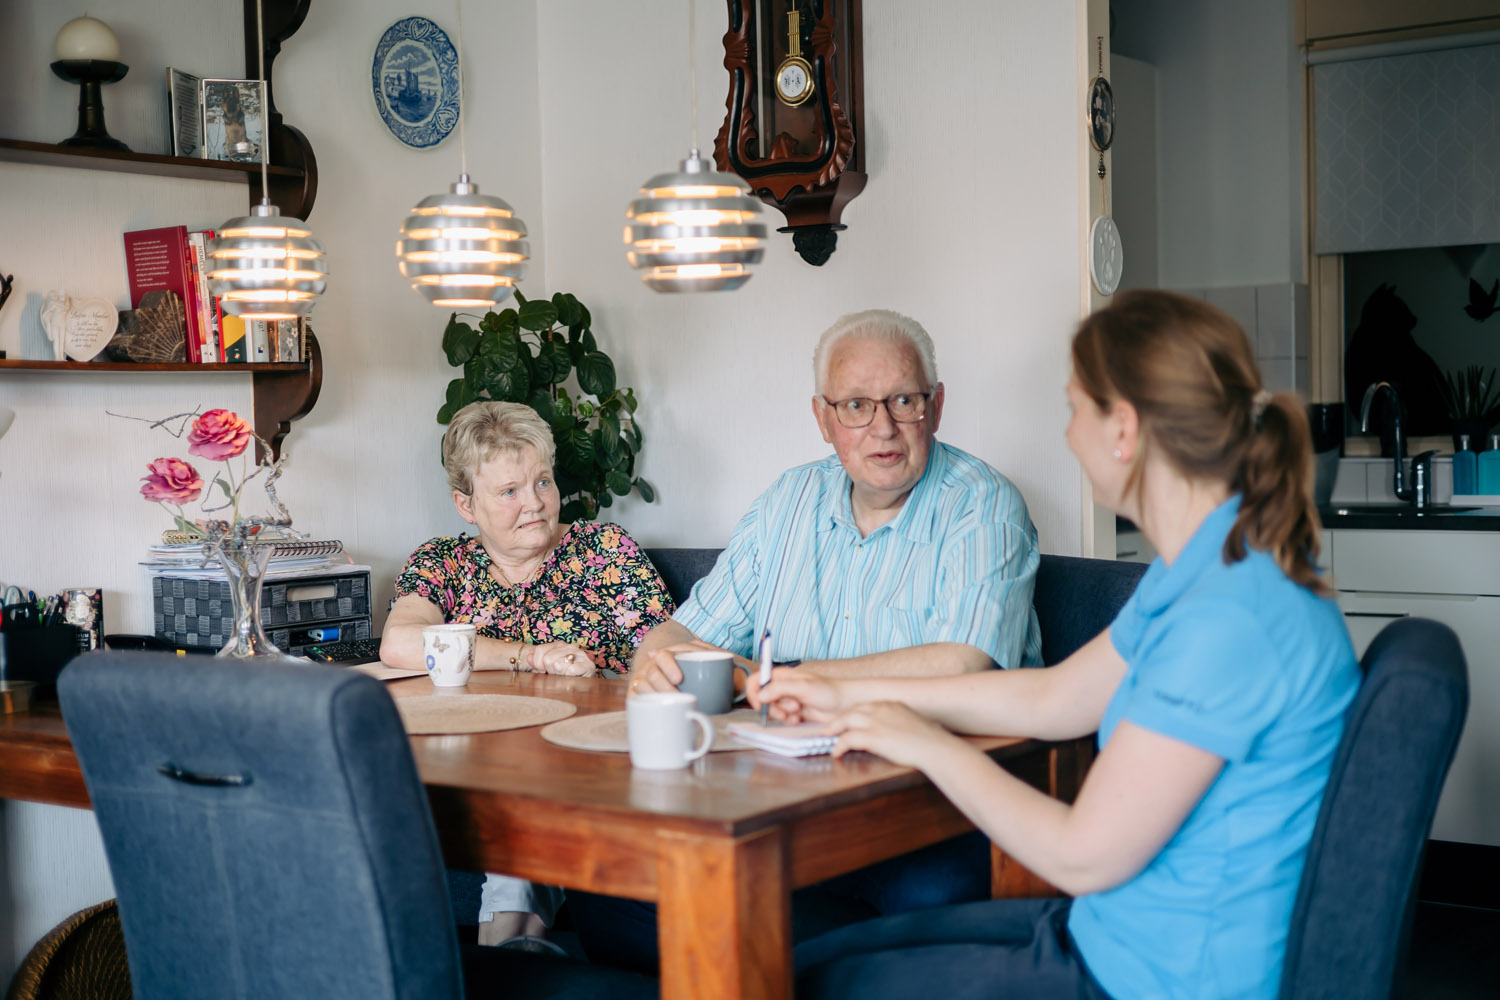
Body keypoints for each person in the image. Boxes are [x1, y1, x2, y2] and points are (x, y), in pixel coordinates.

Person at [755, 290, 1360, 999]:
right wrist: (845, 692)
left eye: (1076, 408)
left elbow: (1080, 856)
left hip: (1159, 977)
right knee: (811, 957)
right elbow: (1053, 698)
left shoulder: (1229, 618)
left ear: (1123, 431)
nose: (1069, 433)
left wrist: (922, 741)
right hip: (1114, 935)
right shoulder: (1207, 566)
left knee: (802, 982)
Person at [571, 309, 1043, 972]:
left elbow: (965, 662)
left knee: (932, 901)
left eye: (903, 400)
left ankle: (771, 959)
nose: (882, 427)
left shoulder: (983, 504)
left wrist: (804, 679)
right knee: (607, 895)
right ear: (823, 419)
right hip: (782, 813)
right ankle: (789, 963)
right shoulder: (786, 502)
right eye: (856, 405)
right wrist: (655, 665)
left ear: (935, 407)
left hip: (928, 813)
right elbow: (681, 631)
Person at [382, 400, 674, 947]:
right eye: (509, 491)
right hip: (480, 766)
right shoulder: (443, 563)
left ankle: (514, 953)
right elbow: (400, 643)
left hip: (586, 760)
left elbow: (664, 655)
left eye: (542, 481)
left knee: (529, 796)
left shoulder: (602, 552)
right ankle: (518, 953)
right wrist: (531, 655)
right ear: (465, 505)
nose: (536, 503)